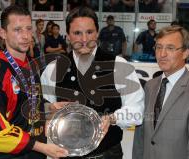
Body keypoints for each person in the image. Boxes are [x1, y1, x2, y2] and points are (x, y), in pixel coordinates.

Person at [41, 6, 144, 159]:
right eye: (77, 33)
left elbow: (137, 110)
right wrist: (49, 111)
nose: (84, 39)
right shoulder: (53, 69)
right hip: (66, 154)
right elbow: (41, 109)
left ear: (97, 33)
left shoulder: (119, 65)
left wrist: (112, 118)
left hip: (108, 154)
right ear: (68, 35)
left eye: (89, 32)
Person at [0, 5, 68, 159]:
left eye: (28, 29)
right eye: (18, 30)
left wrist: (49, 106)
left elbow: (28, 101)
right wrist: (41, 147)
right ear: (3, 33)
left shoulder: (30, 64)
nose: (26, 36)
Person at [133, 25, 189, 159]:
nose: (162, 54)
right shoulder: (150, 86)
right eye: (159, 47)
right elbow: (140, 136)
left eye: (170, 48)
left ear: (186, 52)